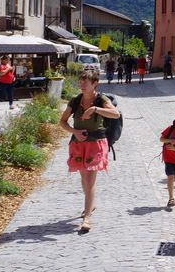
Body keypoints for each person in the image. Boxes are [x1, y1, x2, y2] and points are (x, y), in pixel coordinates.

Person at [59, 69, 120, 232]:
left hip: (96, 144)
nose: (81, 85)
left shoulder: (101, 100)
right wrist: (75, 132)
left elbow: (115, 114)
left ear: (95, 84)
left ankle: (86, 218)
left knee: (90, 180)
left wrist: (95, 109)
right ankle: (90, 204)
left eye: (85, 83)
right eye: (80, 82)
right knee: (84, 177)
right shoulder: (75, 101)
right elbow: (63, 121)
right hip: (78, 144)